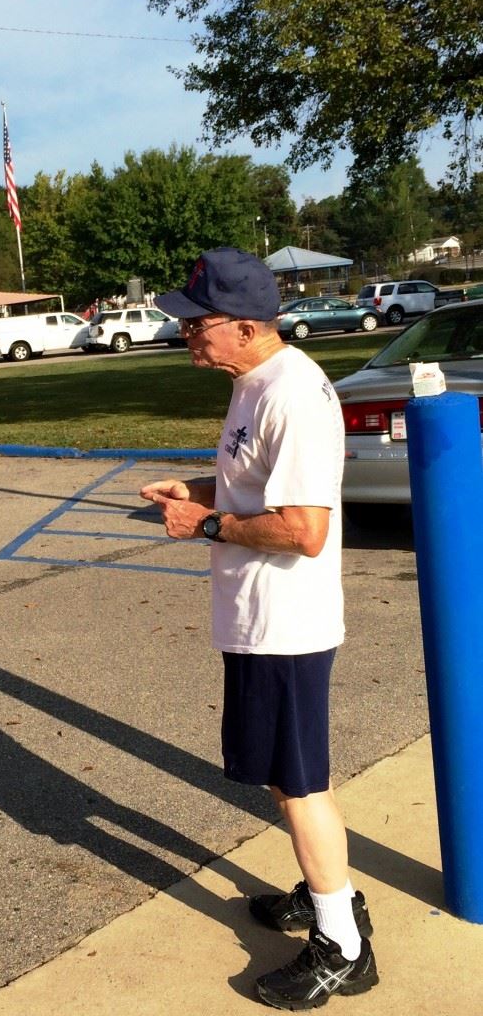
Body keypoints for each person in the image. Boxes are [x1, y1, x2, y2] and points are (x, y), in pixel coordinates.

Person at [141, 248, 377, 1009]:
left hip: (287, 625)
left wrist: (205, 523)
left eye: (197, 322)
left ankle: (342, 942)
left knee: (300, 784)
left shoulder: (293, 396)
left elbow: (304, 528)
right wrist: (201, 488)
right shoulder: (253, 383)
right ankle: (324, 890)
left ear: (245, 326)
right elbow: (257, 486)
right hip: (257, 620)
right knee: (285, 777)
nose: (186, 334)